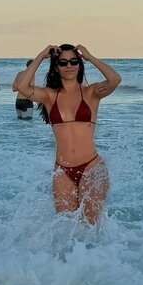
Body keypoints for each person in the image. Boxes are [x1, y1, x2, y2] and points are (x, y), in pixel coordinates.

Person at [12, 43, 121, 225]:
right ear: (56, 67)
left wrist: (89, 56)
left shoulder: (91, 93)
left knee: (91, 227)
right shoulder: (49, 96)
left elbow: (115, 79)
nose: (69, 66)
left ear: (79, 64)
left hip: (92, 167)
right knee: (65, 227)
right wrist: (42, 55)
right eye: (63, 62)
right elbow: (21, 86)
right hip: (63, 171)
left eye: (73, 61)